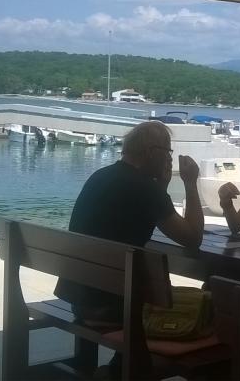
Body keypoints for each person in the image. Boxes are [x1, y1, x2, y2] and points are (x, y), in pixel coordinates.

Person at [55, 120, 204, 321]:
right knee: (209, 308)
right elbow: (193, 238)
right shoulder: (146, 189)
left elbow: (133, 219)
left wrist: (161, 187)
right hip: (117, 304)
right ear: (151, 152)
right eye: (168, 152)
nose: (169, 158)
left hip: (81, 297)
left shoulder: (100, 176)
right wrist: (190, 183)